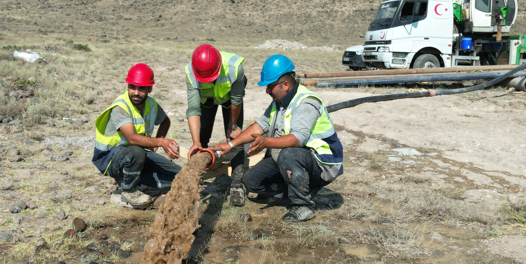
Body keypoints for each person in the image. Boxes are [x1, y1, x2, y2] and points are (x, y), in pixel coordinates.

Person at [212, 55, 344, 222]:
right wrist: (231, 144)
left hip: (320, 163)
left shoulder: (306, 102)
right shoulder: (279, 101)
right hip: (291, 158)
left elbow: (297, 139)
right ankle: (296, 188)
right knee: (251, 181)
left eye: (270, 86)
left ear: (286, 85)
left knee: (289, 153)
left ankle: (303, 205)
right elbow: (259, 126)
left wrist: (266, 142)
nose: (267, 91)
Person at [92, 63, 181, 208]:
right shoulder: (121, 107)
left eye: (141, 88)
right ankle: (128, 191)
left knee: (178, 175)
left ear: (150, 89)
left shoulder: (151, 104)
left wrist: (157, 144)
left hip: (137, 156)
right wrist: (160, 142)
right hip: (111, 159)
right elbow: (132, 139)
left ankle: (143, 185)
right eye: (132, 87)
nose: (136, 92)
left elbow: (165, 121)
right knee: (136, 151)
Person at [185, 44, 248, 206]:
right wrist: (196, 142)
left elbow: (236, 100)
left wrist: (232, 125)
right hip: (206, 100)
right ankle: (196, 179)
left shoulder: (235, 69)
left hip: (230, 100)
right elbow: (193, 109)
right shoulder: (191, 72)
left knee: (235, 139)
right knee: (202, 136)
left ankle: (237, 184)